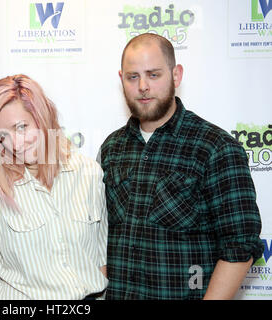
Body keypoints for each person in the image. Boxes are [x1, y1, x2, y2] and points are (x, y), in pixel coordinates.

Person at [99, 33, 263, 300]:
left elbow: (240, 247)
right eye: (133, 76)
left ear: (176, 75)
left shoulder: (215, 147)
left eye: (153, 75)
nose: (142, 86)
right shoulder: (112, 148)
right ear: (122, 80)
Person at [0, 74, 108, 299]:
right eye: (2, 136)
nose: (15, 144)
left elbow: (100, 263)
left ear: (42, 118)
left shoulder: (88, 173)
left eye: (22, 127)